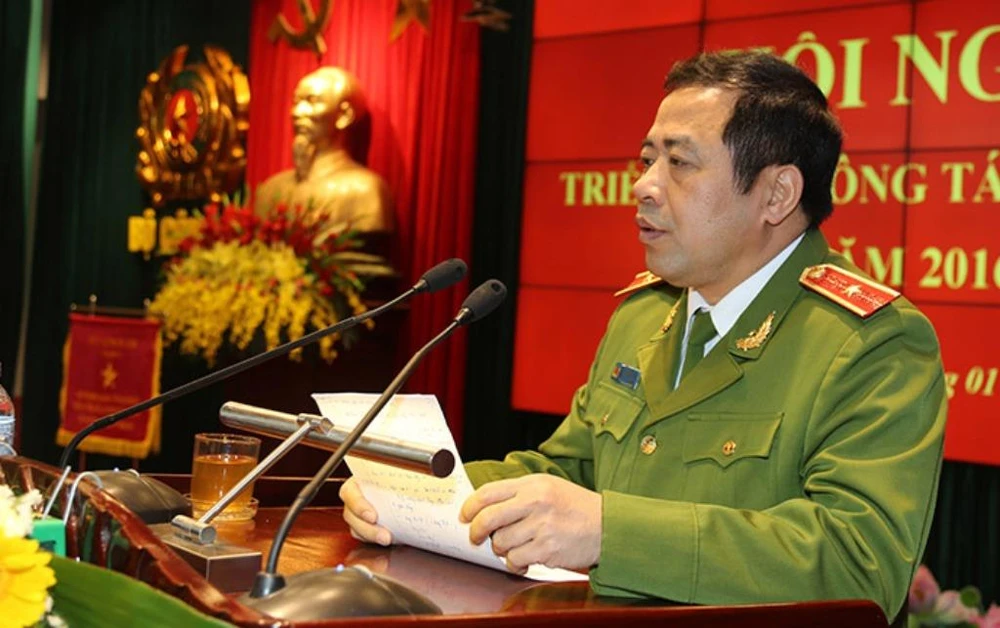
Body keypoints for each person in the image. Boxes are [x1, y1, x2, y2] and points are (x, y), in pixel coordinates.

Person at [340, 51, 947, 621]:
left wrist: (610, 532)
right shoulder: (643, 314)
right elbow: (570, 472)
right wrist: (421, 496)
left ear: (777, 194)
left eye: (679, 163)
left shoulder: (872, 343)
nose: (644, 185)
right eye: (647, 159)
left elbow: (857, 564)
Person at [257, 66, 394, 270]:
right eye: (296, 102)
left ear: (344, 115)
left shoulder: (366, 192)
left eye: (312, 101)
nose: (297, 112)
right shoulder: (271, 190)